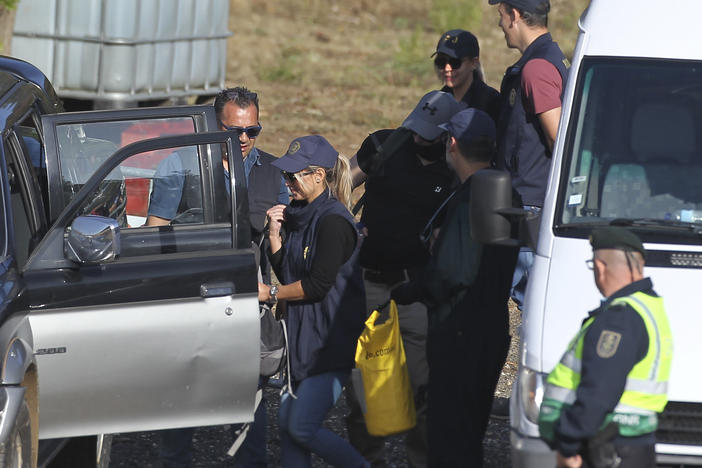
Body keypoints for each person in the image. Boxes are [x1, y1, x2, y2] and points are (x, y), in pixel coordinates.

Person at [155, 87, 287, 468]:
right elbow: (154, 233)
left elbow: (284, 247)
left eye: (252, 131)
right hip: (189, 301)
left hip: (245, 305)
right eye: (234, 130)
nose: (243, 139)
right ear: (213, 124)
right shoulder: (178, 166)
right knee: (181, 396)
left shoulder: (273, 174)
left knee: (249, 397)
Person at [390, 109, 519, 467]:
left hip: (460, 334)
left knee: (449, 442)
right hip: (490, 329)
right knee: (468, 436)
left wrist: (410, 290)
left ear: (453, 144)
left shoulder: (470, 199)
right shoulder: (508, 192)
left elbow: (452, 273)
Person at [346, 90, 460, 467]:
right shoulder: (384, 145)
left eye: (428, 133)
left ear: (448, 136)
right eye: (415, 128)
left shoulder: (455, 172)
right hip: (367, 282)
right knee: (363, 389)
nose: (418, 138)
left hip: (414, 292)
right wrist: (344, 228)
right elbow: (341, 185)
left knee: (422, 393)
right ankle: (368, 461)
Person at [258, 135, 369, 468]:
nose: (287, 183)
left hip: (328, 344)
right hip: (302, 340)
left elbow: (317, 286)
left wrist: (272, 293)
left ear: (319, 175)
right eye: (286, 176)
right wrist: (276, 237)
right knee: (289, 428)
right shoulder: (299, 212)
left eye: (294, 176)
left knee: (302, 427)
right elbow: (289, 270)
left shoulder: (334, 221)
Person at [538, 227, 673, 468]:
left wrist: (569, 444)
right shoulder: (649, 307)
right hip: (626, 445)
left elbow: (599, 390)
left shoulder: (620, 319)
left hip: (605, 448)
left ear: (600, 268)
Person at [488, 0, 569, 309]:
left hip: (527, 211)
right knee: (533, 307)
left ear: (515, 15)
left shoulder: (536, 68)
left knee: (486, 305)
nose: (499, 24)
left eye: (501, 14)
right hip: (528, 208)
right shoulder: (544, 59)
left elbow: (557, 137)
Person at [432, 29, 501, 123]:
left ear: (474, 63)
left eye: (455, 62)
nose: (447, 68)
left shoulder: (491, 102)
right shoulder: (436, 101)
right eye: (441, 62)